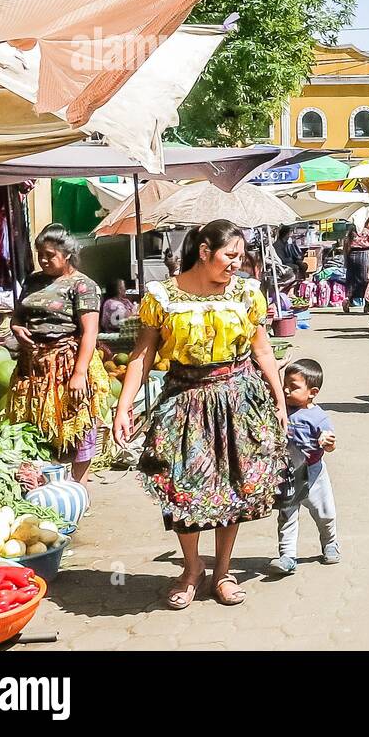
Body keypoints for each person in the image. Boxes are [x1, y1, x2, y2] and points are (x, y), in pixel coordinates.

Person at [113, 220, 287, 610]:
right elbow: (142, 355)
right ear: (205, 251)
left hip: (238, 397)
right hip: (184, 398)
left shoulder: (246, 293)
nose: (236, 265)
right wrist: (123, 406)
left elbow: (262, 351)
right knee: (182, 487)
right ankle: (193, 569)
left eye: (240, 257)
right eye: (230, 255)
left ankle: (223, 572)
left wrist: (278, 400)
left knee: (233, 486)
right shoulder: (163, 296)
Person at [5, 225, 108, 484]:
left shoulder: (84, 286)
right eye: (40, 253)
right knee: (35, 425)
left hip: (68, 365)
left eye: (49, 254)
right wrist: (16, 328)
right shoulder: (33, 280)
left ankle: (77, 489)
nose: (43, 259)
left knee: (76, 425)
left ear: (67, 255)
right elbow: (18, 315)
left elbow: (89, 332)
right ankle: (41, 485)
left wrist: (79, 374)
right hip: (33, 367)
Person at [269, 358, 338, 575]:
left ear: (312, 392)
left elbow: (330, 443)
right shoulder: (281, 408)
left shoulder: (318, 417)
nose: (286, 391)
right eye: (285, 385)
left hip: (314, 473)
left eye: (294, 387)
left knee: (325, 513)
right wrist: (274, 368)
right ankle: (287, 557)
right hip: (287, 474)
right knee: (287, 515)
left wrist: (328, 443)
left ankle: (330, 544)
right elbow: (267, 389)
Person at [342, 220, 369, 314]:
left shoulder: (351, 232)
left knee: (351, 279)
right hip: (365, 254)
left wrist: (346, 260)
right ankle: (367, 303)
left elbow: (345, 247)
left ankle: (348, 299)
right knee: (366, 280)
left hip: (351, 255)